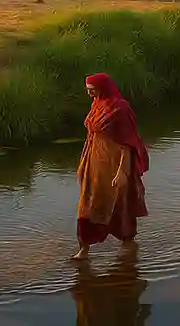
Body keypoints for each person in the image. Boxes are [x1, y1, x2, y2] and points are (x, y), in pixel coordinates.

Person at [73, 73, 149, 261]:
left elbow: (128, 143)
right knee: (87, 204)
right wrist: (83, 164)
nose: (89, 94)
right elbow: (91, 136)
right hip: (95, 162)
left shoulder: (120, 108)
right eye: (88, 90)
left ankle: (127, 242)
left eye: (92, 90)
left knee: (120, 202)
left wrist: (123, 171)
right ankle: (84, 248)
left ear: (103, 88)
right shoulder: (97, 104)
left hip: (115, 163)